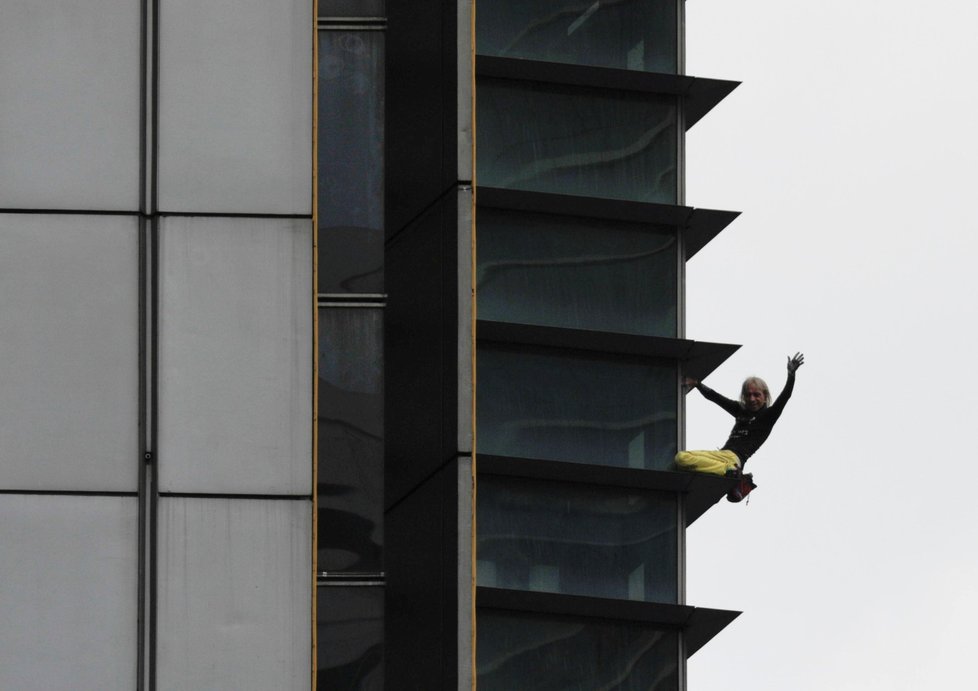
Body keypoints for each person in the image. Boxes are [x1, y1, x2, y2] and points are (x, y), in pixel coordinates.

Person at [675, 353, 804, 501]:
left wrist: (791, 375)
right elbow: (716, 397)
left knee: (681, 459)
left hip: (734, 459)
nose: (752, 399)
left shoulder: (768, 416)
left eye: (757, 395)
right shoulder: (740, 410)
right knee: (682, 459)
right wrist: (697, 384)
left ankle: (731, 473)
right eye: (748, 395)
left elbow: (785, 397)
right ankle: (730, 473)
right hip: (721, 457)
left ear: (765, 396)